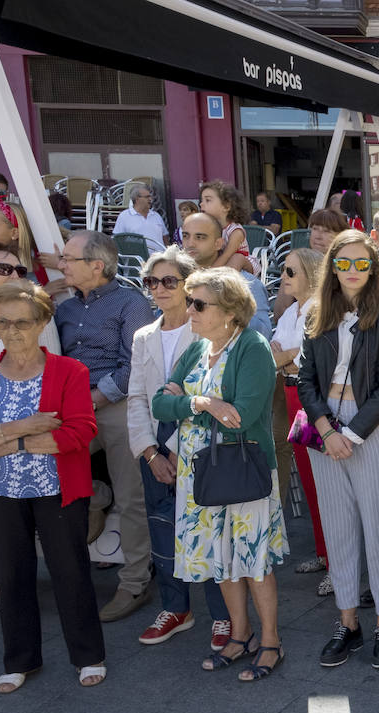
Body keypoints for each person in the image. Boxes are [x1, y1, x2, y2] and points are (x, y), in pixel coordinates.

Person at [0, 281, 104, 693]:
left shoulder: (70, 371)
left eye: (22, 323)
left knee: (70, 572)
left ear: (43, 321)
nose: (12, 331)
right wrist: (26, 427)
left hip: (55, 489)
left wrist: (9, 442)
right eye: (2, 322)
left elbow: (80, 431)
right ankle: (19, 660)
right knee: (11, 576)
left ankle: (88, 655)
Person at [152, 267, 284, 680]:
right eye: (189, 300)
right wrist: (203, 404)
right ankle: (241, 635)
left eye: (197, 303)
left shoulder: (253, 347)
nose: (187, 308)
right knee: (221, 559)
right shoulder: (196, 349)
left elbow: (241, 417)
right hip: (200, 475)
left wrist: (187, 402)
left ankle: (271, 641)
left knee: (252, 559)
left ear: (229, 311)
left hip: (241, 471)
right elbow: (159, 405)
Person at [298, 230, 379, 670]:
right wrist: (326, 430)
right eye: (344, 263)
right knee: (338, 530)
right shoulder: (315, 312)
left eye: (363, 263)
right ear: (333, 267)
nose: (353, 271)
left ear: (374, 267)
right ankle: (348, 622)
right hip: (325, 435)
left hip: (371, 432)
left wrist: (352, 434)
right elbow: (304, 380)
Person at [128, 246, 233, 648]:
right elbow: (136, 397)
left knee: (206, 528)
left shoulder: (204, 330)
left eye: (169, 281)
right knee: (161, 525)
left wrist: (174, 448)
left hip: (197, 446)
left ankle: (222, 615)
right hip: (153, 447)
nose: (159, 288)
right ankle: (176, 607)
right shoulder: (144, 336)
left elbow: (207, 392)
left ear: (188, 284)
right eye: (152, 281)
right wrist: (150, 452)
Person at [55, 231, 155, 622]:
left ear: (96, 266)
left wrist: (95, 397)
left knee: (133, 496)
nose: (61, 264)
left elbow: (138, 365)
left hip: (115, 404)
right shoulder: (63, 308)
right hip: (71, 409)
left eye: (67, 259)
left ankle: (134, 583)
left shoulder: (130, 303)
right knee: (48, 472)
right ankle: (97, 495)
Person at [271, 247, 330, 583]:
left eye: (291, 271)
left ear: (310, 273)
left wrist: (288, 357)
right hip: (292, 395)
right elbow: (275, 356)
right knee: (310, 482)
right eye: (284, 270)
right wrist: (288, 357)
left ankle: (337, 563)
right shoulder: (290, 312)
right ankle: (324, 554)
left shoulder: (319, 310)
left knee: (323, 483)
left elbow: (303, 357)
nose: (284, 277)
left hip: (310, 399)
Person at [180, 213, 272, 338]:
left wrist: (226, 305)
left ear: (218, 243)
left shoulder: (245, 283)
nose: (190, 243)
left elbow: (262, 335)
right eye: (186, 236)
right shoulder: (174, 282)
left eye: (200, 237)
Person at [198, 181, 253, 274]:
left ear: (226, 206)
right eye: (201, 200)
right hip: (223, 263)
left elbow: (227, 255)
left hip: (243, 263)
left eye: (207, 200)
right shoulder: (213, 228)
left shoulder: (236, 231)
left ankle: (226, 283)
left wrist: (209, 273)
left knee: (237, 257)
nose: (201, 204)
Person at [111, 184, 168, 254]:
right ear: (137, 199)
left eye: (150, 196)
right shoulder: (124, 216)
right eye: (147, 197)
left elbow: (165, 237)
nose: (150, 199)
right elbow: (118, 240)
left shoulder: (156, 215)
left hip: (159, 260)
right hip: (138, 260)